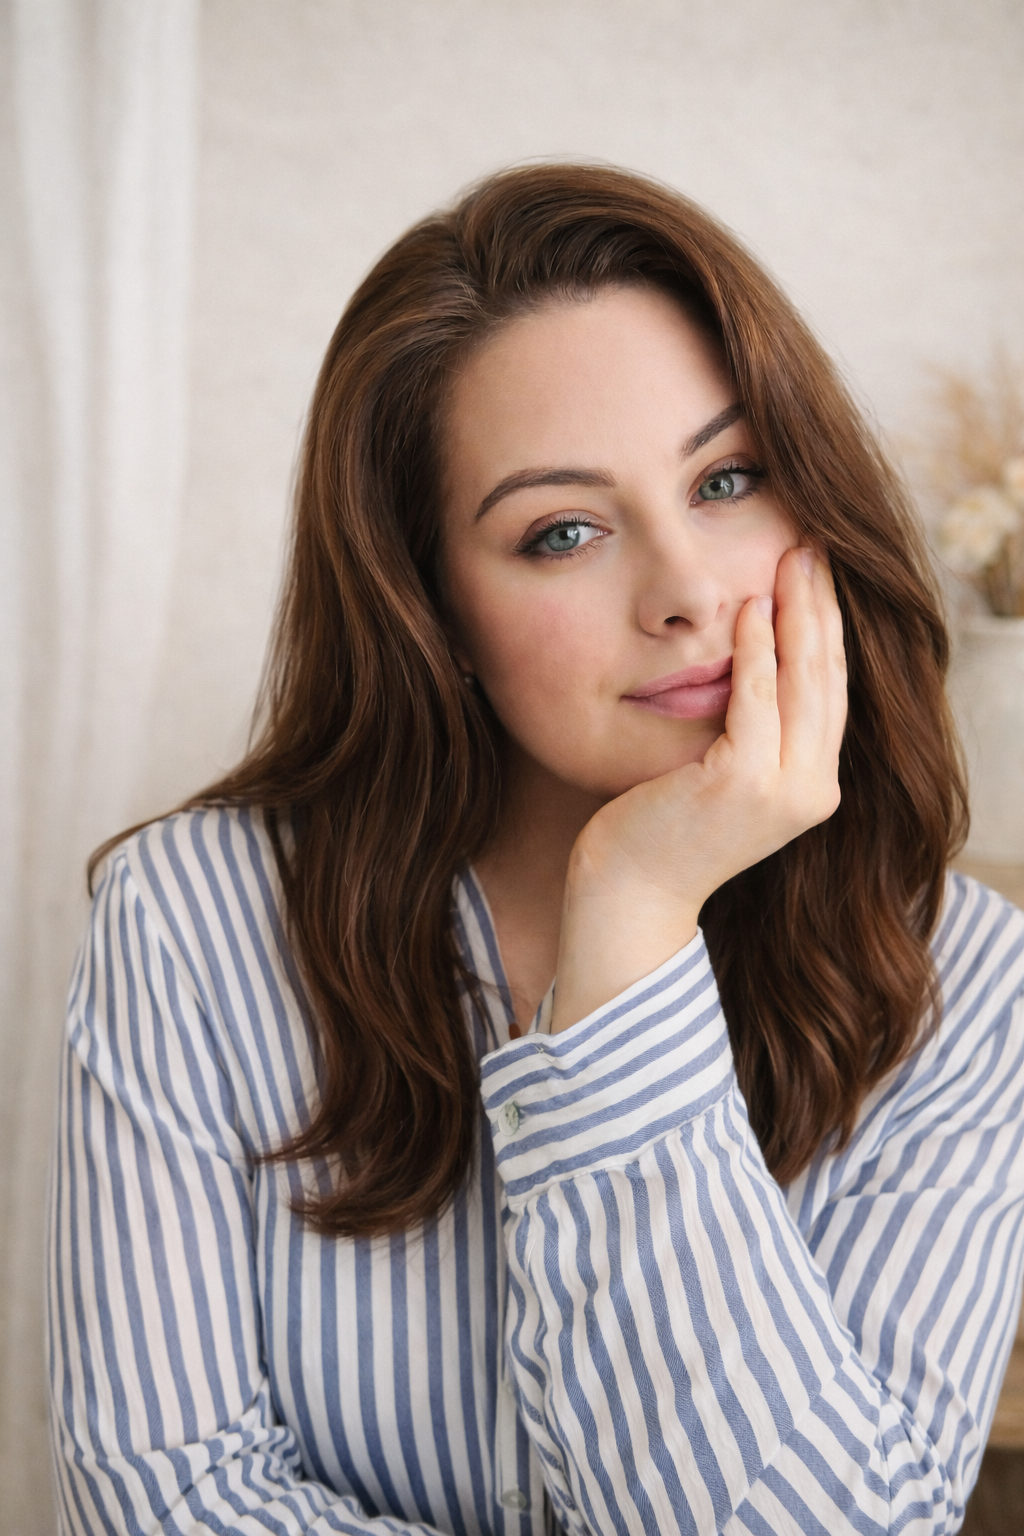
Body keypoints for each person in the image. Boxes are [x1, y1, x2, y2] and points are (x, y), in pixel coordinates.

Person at [48, 164, 1024, 1536]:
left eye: (729, 478)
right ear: (431, 609)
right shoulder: (193, 922)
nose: (687, 594)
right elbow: (162, 1504)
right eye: (562, 531)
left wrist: (631, 926)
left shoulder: (970, 985)